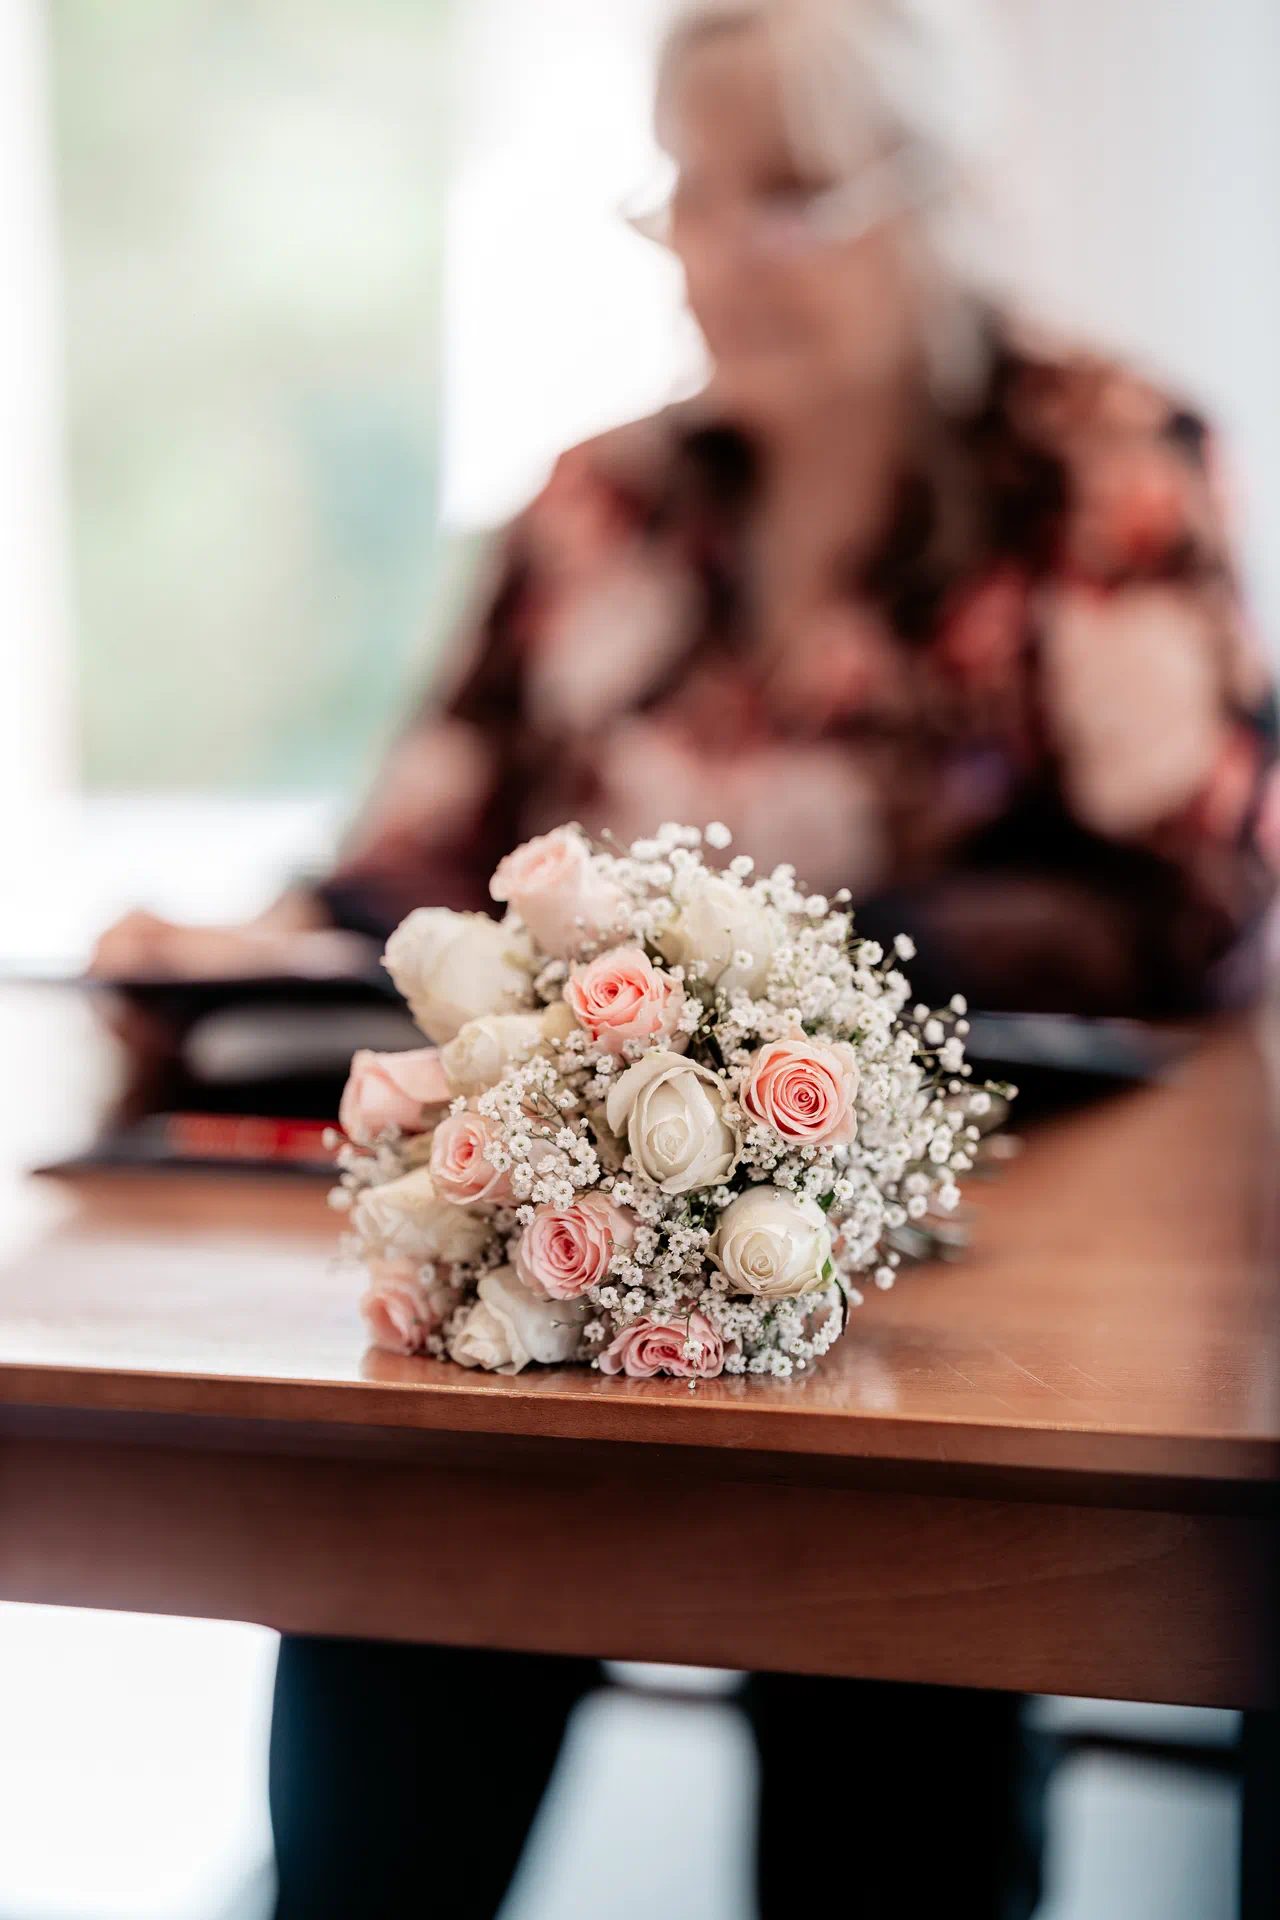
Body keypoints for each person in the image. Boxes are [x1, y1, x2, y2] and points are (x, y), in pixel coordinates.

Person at [90, 2, 1276, 1914]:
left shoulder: (1097, 466)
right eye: (689, 196)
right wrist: (262, 941)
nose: (723, 253)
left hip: (993, 1237)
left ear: (932, 196)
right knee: (410, 1555)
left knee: (889, 1665)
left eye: (787, 194)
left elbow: (1188, 893)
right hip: (587, 1203)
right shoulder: (601, 502)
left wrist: (775, 980)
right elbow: (420, 849)